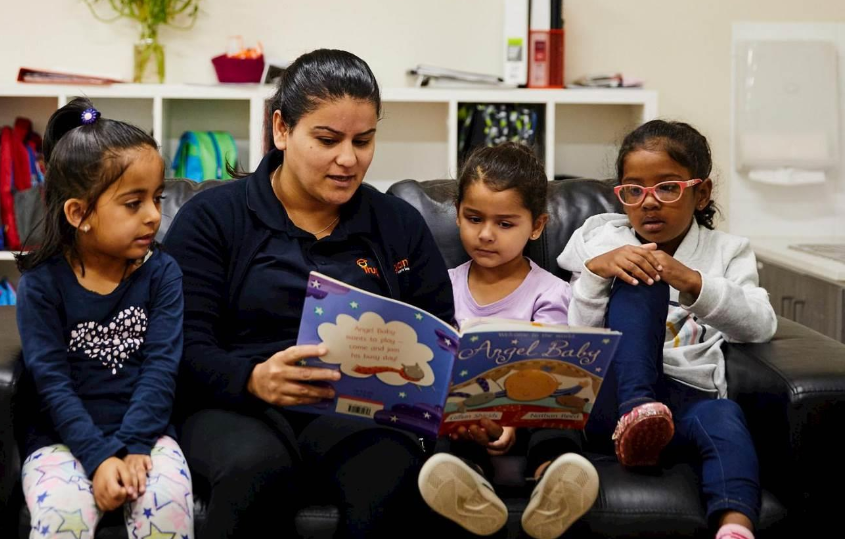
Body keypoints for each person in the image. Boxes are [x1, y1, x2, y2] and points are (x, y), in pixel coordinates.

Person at [164, 49, 456, 538]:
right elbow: (179, 345)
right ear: (282, 129)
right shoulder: (213, 218)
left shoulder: (397, 224)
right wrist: (253, 378)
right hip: (234, 405)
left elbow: (443, 339)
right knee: (256, 468)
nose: (349, 158)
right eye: (327, 139)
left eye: (364, 141)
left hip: (356, 410)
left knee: (389, 467)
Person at [557, 119, 776, 539]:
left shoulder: (728, 252)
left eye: (668, 187)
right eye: (634, 190)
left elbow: (761, 324)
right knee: (643, 272)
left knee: (725, 417)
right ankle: (636, 412)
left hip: (686, 400)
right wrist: (594, 275)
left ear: (701, 192)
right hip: (613, 398)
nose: (649, 202)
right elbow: (579, 339)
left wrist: (694, 282)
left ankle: (734, 526)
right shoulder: (603, 243)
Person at [16, 98, 193, 539]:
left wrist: (134, 448)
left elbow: (160, 369)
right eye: (133, 203)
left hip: (147, 435)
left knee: (167, 509)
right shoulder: (42, 285)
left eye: (157, 198)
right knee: (63, 515)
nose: (153, 215)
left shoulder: (162, 273)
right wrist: (99, 457)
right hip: (62, 439)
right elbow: (51, 383)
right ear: (79, 214)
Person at [418, 143, 599, 539]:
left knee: (556, 416)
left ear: (535, 226)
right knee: (451, 432)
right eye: (474, 218)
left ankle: (553, 480)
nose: (485, 234)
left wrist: (513, 420)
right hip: (467, 418)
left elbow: (548, 372)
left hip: (531, 414)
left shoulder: (548, 292)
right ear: (457, 214)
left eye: (505, 223)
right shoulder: (442, 287)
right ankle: (468, 488)